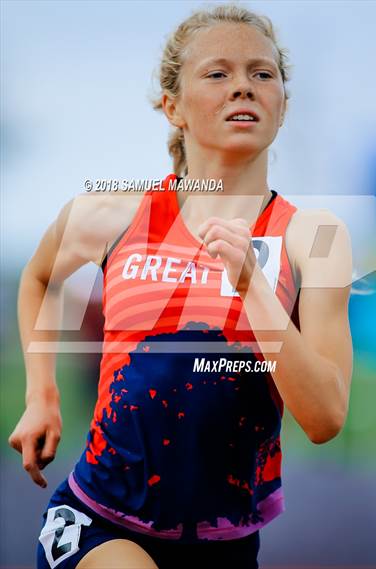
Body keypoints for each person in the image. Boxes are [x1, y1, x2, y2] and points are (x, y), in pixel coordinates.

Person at [8, 4, 353, 569]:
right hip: (99, 521)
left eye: (262, 74)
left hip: (227, 541)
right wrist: (39, 394)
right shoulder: (110, 212)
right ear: (173, 107)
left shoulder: (314, 237)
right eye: (218, 73)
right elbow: (39, 276)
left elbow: (325, 418)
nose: (243, 86)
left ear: (283, 105)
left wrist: (254, 289)